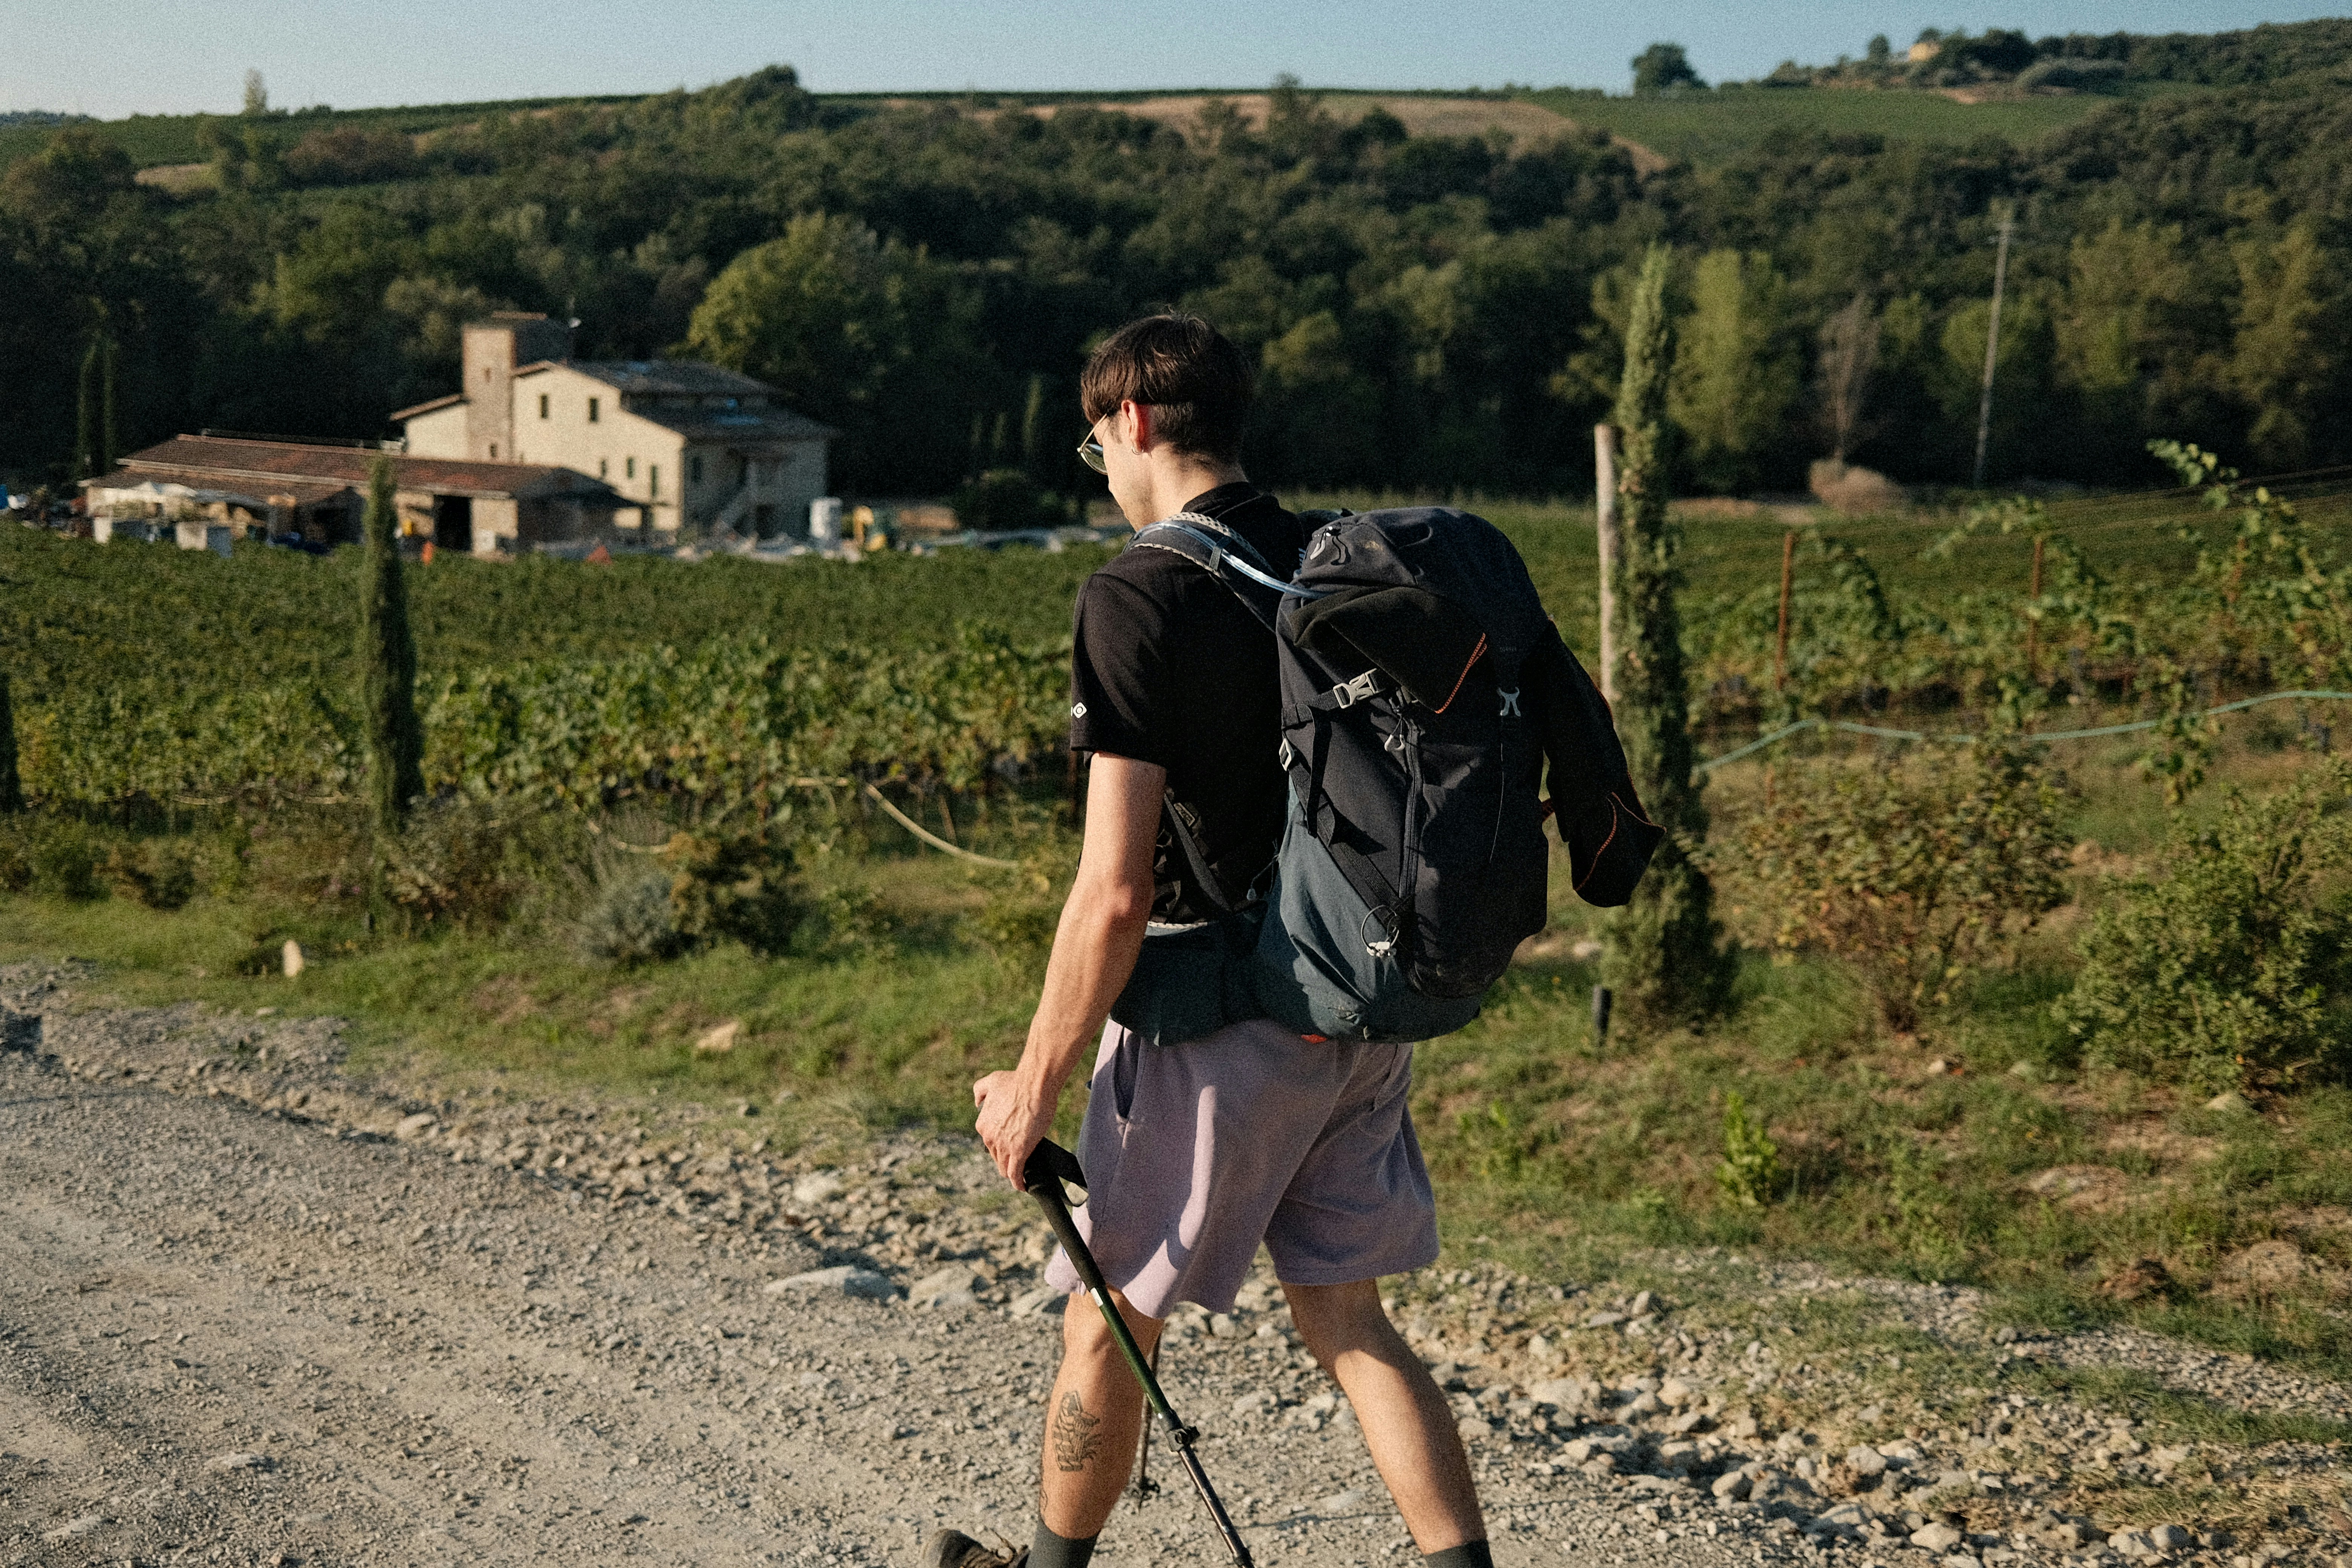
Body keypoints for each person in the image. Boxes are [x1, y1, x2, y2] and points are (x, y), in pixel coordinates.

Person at [933, 315, 1491, 1568]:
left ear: (1130, 421)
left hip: (1220, 1026)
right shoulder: (1333, 561)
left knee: (1108, 1320)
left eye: (1097, 444)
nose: (1107, 469)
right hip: (1356, 1010)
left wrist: (1036, 1081)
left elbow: (1113, 891)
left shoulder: (1140, 592)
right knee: (1352, 1319)